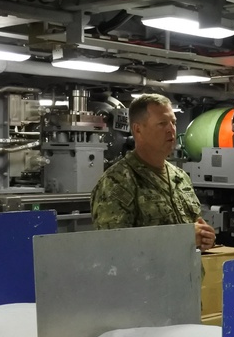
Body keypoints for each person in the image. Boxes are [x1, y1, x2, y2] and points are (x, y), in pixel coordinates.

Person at [90, 94, 216, 250]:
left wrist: (204, 238)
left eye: (173, 122)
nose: (171, 129)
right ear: (138, 130)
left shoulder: (180, 177)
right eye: (162, 123)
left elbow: (195, 228)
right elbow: (112, 246)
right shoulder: (117, 182)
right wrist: (182, 239)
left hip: (186, 273)